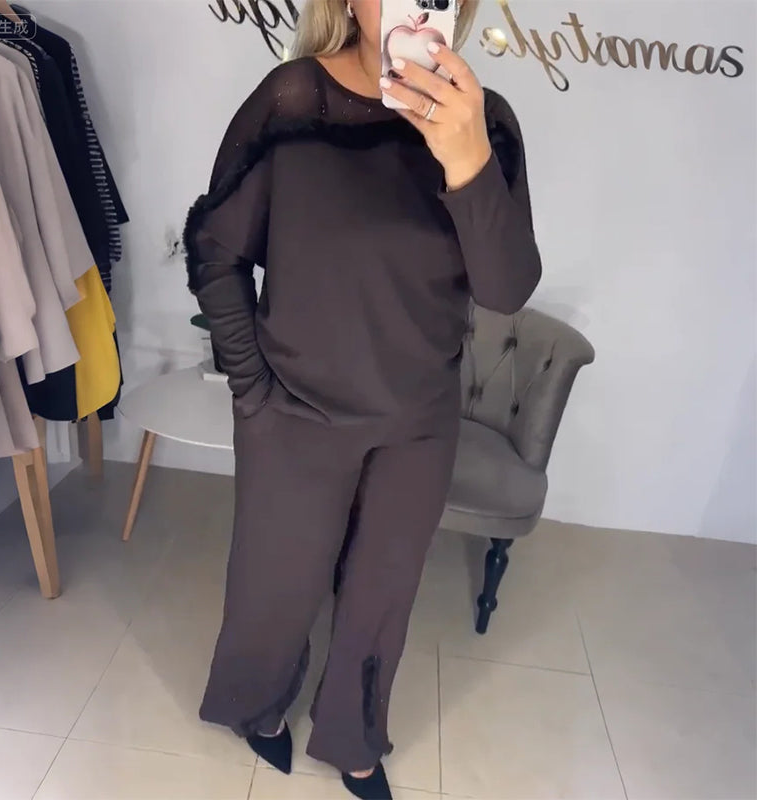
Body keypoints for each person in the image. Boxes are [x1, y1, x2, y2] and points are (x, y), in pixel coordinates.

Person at [183, 0, 541, 797]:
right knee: (274, 590)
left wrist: (466, 160)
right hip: (294, 414)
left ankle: (354, 735)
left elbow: (507, 289)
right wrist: (251, 387)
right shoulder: (292, 102)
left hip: (418, 424)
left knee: (383, 597)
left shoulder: (486, 120)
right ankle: (258, 707)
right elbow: (216, 248)